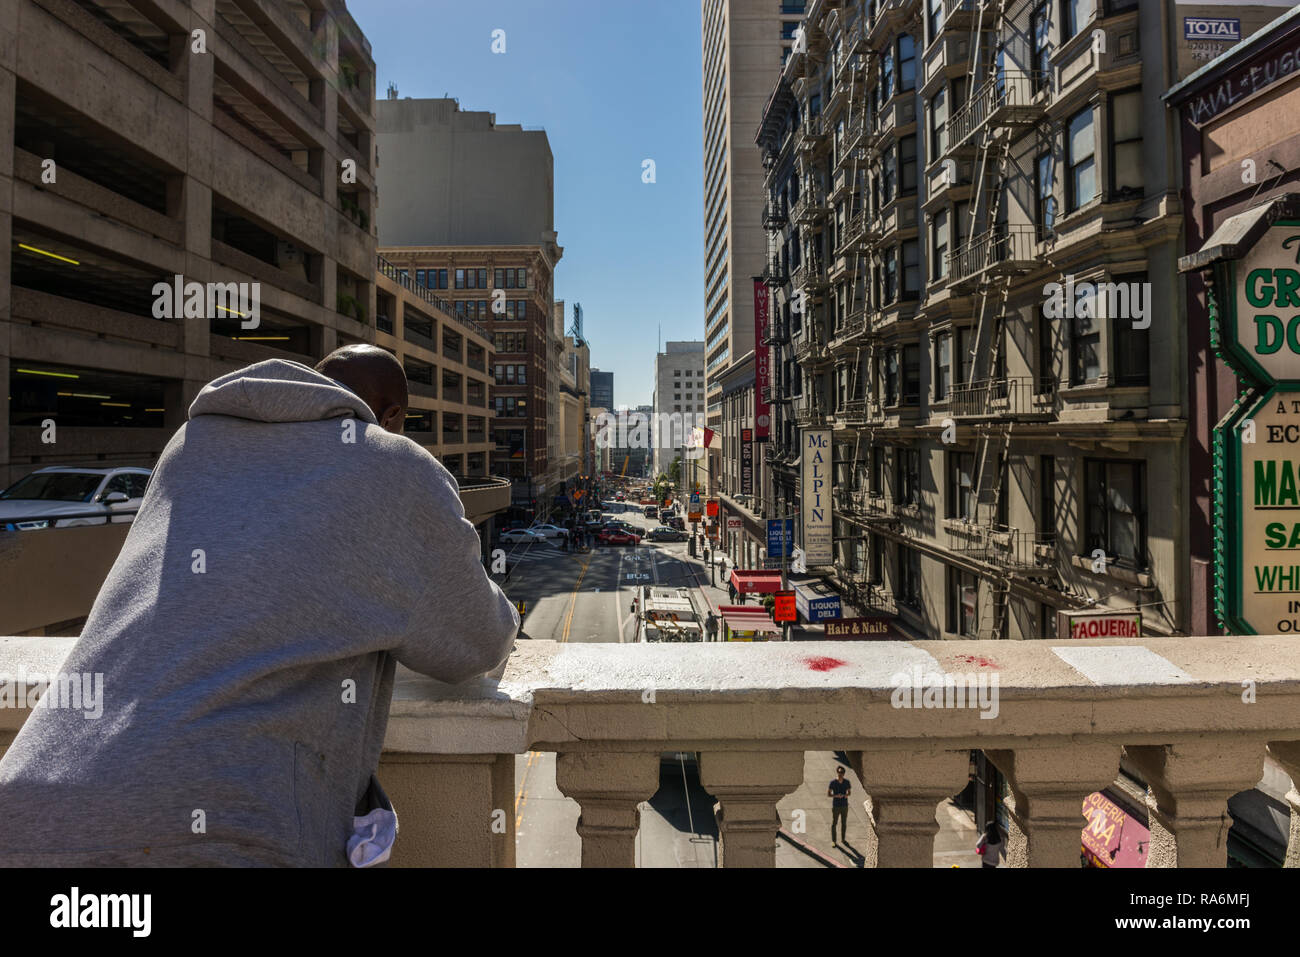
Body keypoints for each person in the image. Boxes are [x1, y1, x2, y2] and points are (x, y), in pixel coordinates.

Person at [0, 349, 520, 867]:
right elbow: (477, 641)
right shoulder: (396, 466)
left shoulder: (190, 447)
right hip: (224, 823)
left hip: (34, 799)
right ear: (392, 418)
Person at [828, 765, 851, 845]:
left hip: (844, 805)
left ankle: (843, 839)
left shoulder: (847, 782)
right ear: (837, 772)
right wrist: (836, 796)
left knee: (844, 823)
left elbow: (849, 792)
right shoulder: (833, 783)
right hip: (836, 805)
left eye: (841, 772)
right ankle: (834, 841)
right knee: (834, 823)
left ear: (844, 773)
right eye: (839, 772)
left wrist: (845, 795)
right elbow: (829, 794)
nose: (840, 774)